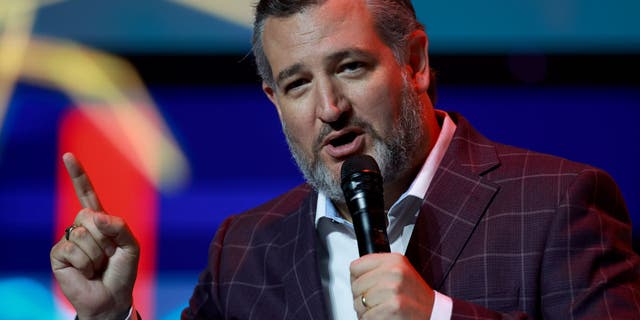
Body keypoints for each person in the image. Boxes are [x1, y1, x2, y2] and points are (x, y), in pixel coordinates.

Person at [50, 0, 640, 319]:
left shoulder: (559, 202)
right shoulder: (246, 248)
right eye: (297, 84)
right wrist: (107, 317)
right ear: (274, 101)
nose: (329, 108)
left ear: (415, 61)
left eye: (351, 67)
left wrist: (437, 318)